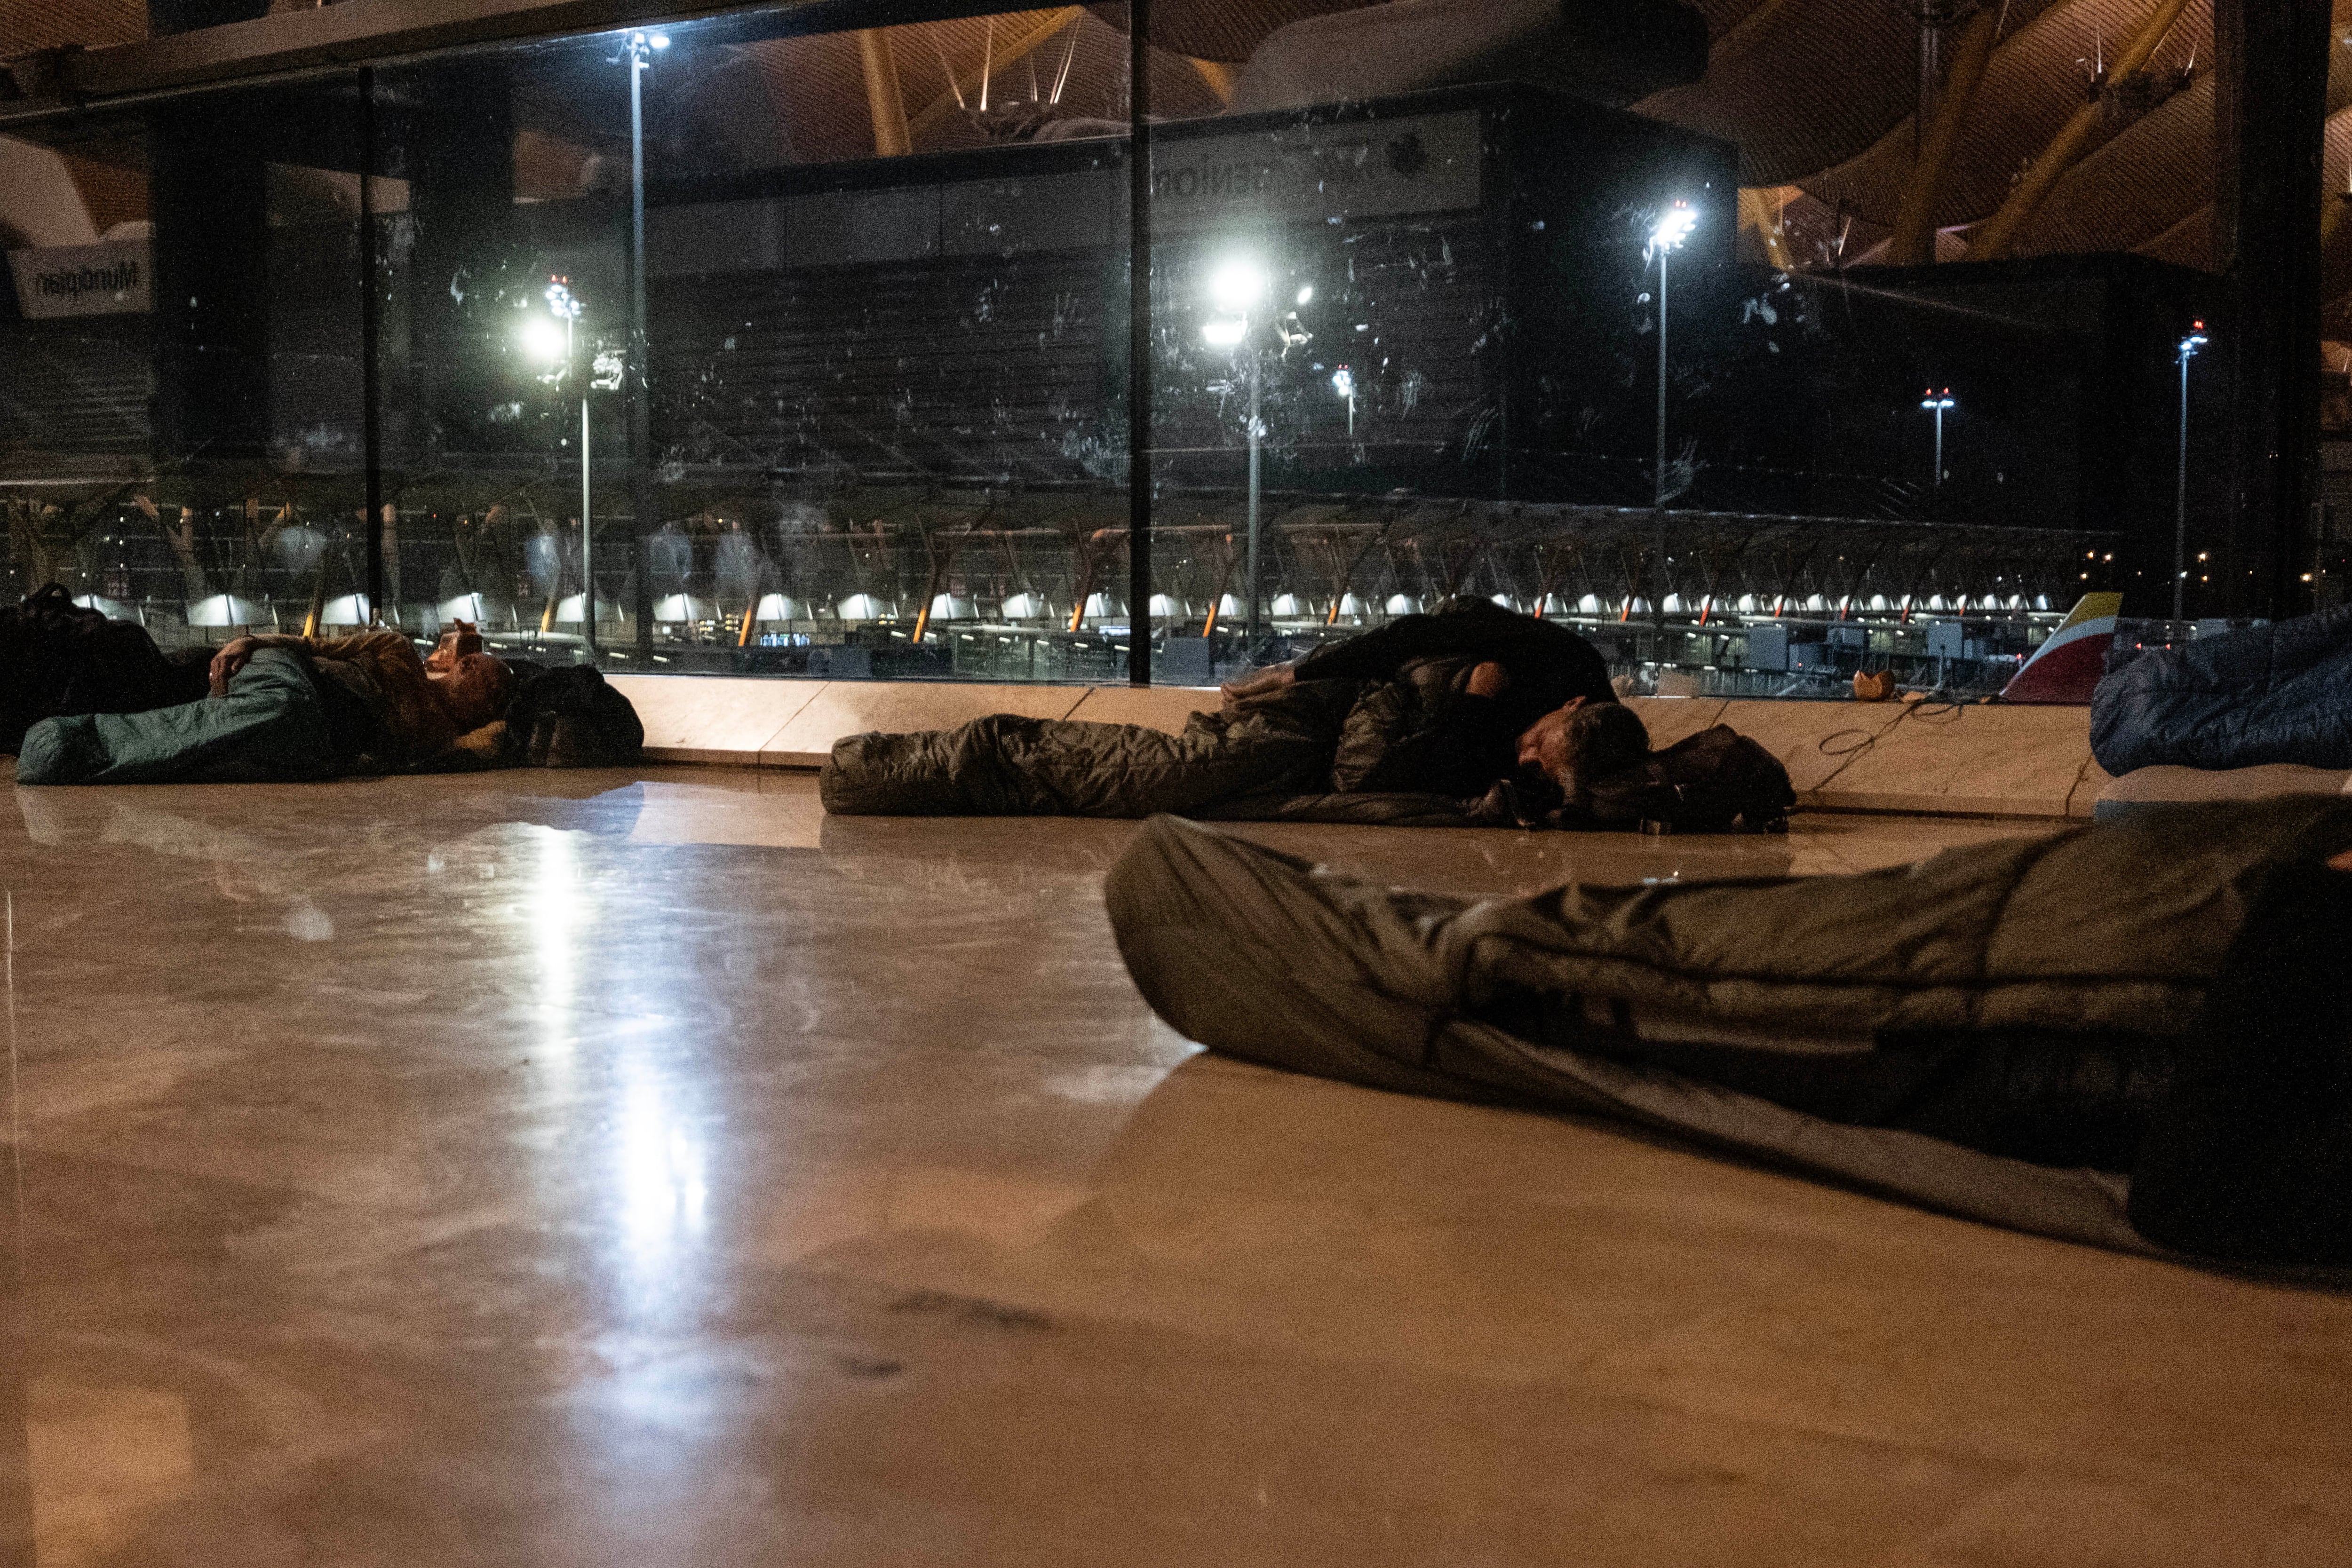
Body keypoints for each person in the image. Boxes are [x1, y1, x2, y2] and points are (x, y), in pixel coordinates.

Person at [1104, 799, 2352, 1269]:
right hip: (2045, 982)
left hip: (1992, 1024)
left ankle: (1385, 957)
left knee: (1593, 979)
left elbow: (2203, 1188)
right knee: (1598, 969)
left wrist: (2317, 894)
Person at [820, 597, 1651, 824]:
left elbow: (1405, 766)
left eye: (1541, 763)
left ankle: (924, 764)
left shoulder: (1560, 759)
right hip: (1327, 713)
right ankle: (888, 765)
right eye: (1540, 741)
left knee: (1144, 776)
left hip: (1332, 734)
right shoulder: (1559, 664)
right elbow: (1419, 634)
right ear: (1570, 703)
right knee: (1146, 776)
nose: (1526, 755)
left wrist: (1478, 728)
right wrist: (1300, 673)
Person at [14, 622, 514, 785]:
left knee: (268, 745)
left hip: (314, 731)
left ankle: (70, 734)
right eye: (479, 670)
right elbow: (312, 646)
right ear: (457, 666)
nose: (480, 678)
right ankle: (80, 745)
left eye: (493, 691)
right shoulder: (397, 650)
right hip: (293, 678)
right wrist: (250, 641)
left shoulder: (446, 740)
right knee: (282, 713)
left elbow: (487, 747)